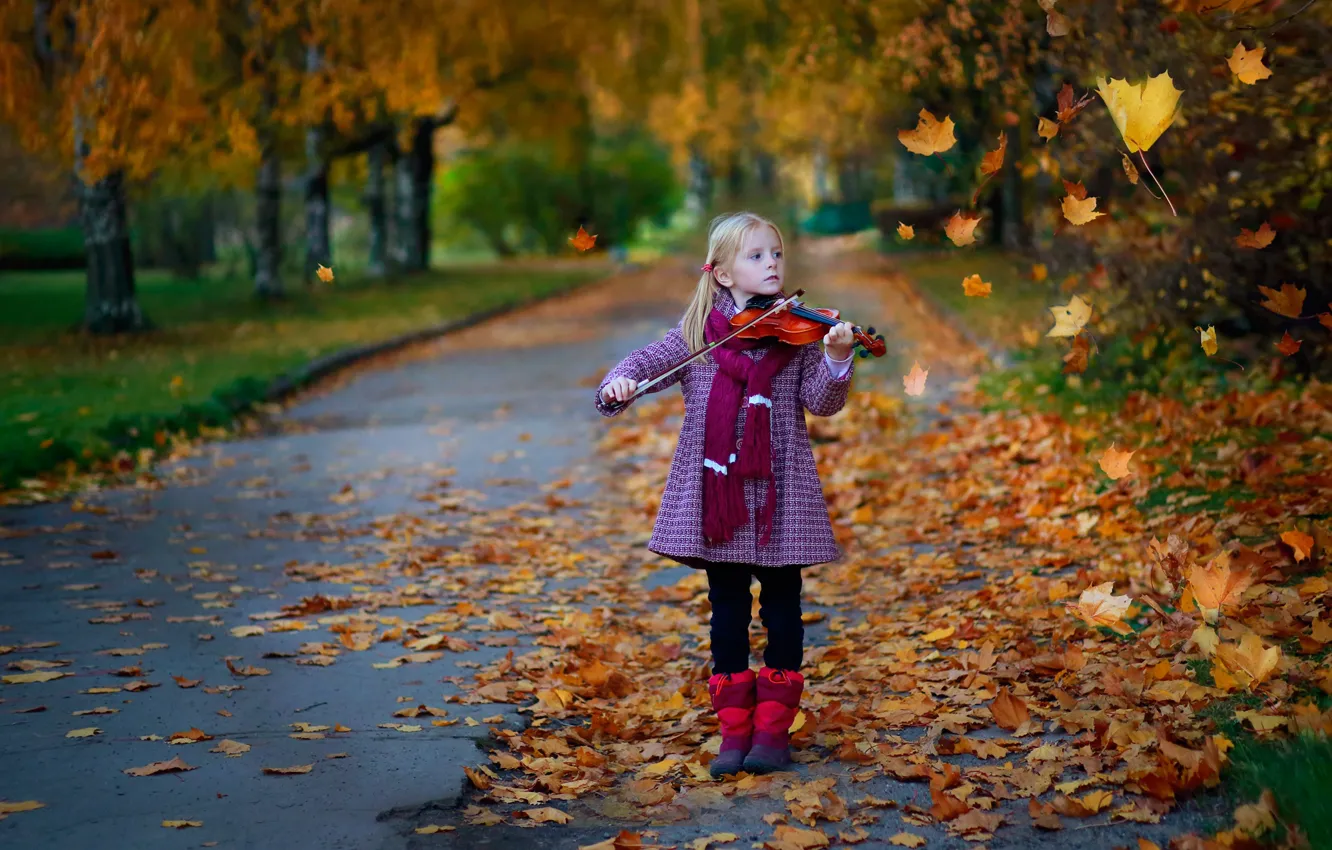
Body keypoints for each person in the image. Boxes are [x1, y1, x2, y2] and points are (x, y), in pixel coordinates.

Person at [595, 211, 855, 779]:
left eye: (776, 256)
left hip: (781, 492)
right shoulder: (698, 336)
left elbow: (823, 401)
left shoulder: (800, 333)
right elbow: (642, 365)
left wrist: (836, 357)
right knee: (728, 610)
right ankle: (734, 732)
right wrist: (618, 384)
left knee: (785, 608)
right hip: (719, 497)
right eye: (757, 256)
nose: (771, 266)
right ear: (722, 275)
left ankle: (772, 730)